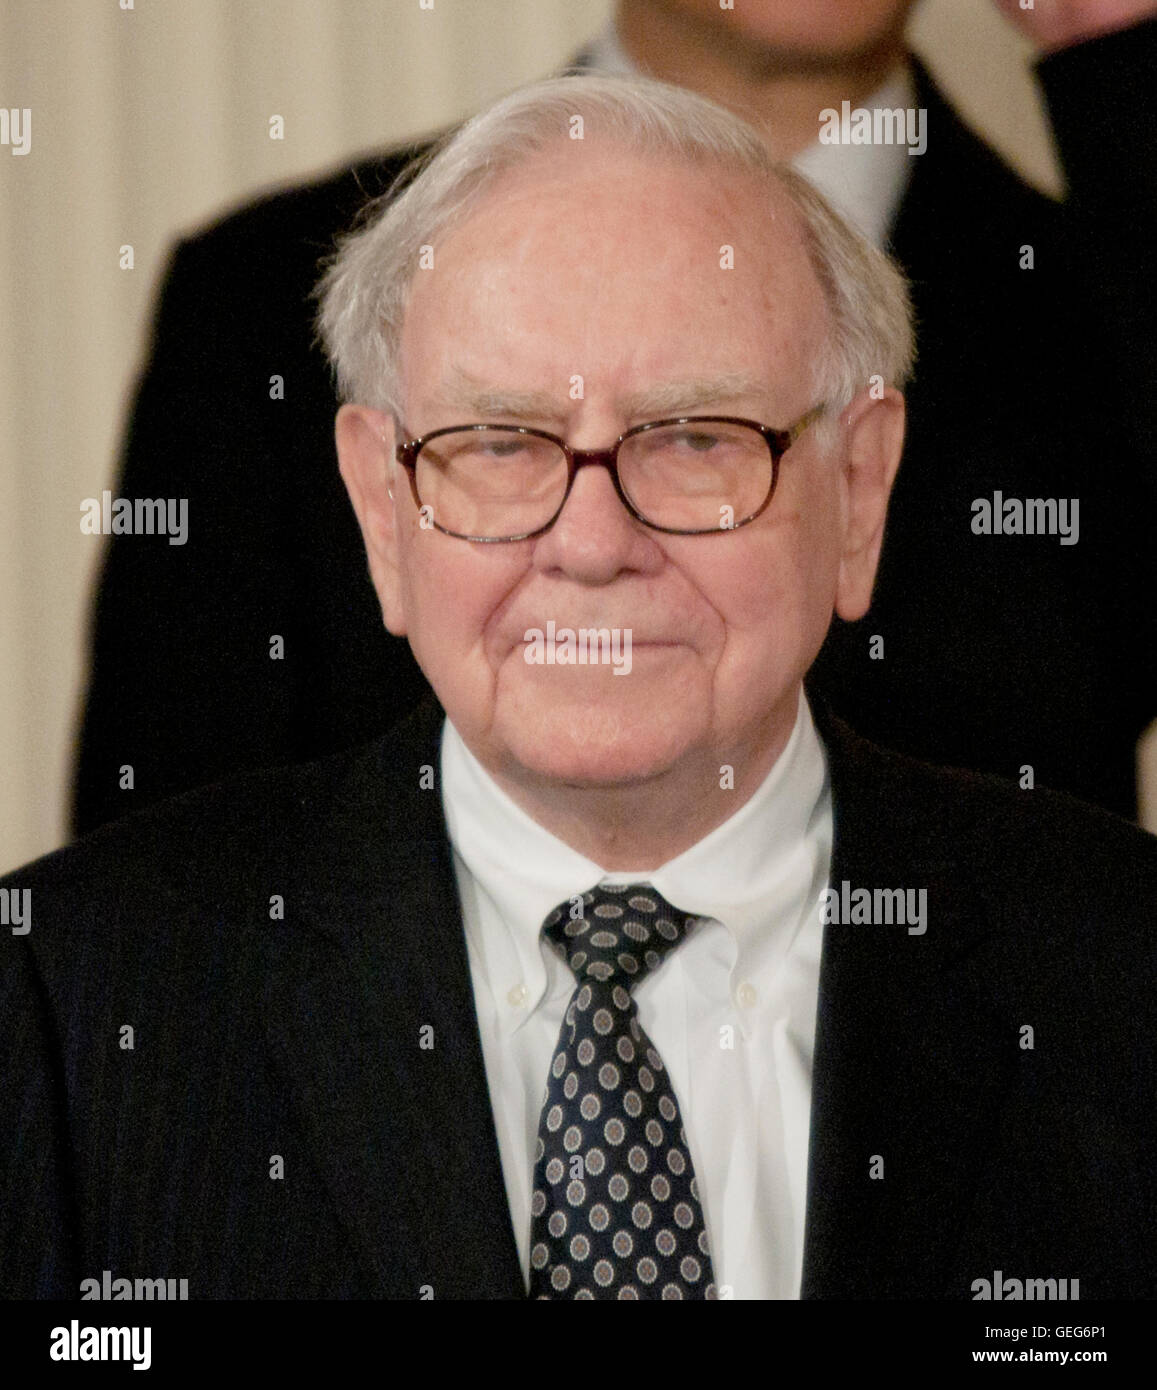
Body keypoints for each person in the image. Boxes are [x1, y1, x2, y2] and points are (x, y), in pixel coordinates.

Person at [4, 77, 1156, 1302]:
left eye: (696, 436)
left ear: (858, 492)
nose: (594, 540)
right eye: (499, 445)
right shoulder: (68, 1009)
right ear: (381, 513)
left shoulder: (1121, 975)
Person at [70, 0, 1157, 836]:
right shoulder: (268, 300)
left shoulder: (1103, 299)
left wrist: (1111, 48)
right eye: (499, 437)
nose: (597, 542)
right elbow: (163, 928)